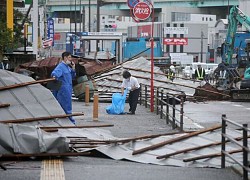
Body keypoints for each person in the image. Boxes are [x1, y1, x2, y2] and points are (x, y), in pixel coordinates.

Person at [51, 52, 76, 124]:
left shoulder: (67, 67)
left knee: (66, 106)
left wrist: (73, 68)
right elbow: (55, 73)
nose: (70, 59)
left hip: (68, 89)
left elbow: (72, 76)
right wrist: (54, 77)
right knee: (66, 106)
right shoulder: (61, 67)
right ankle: (71, 122)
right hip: (63, 90)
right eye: (69, 57)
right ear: (65, 58)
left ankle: (67, 121)